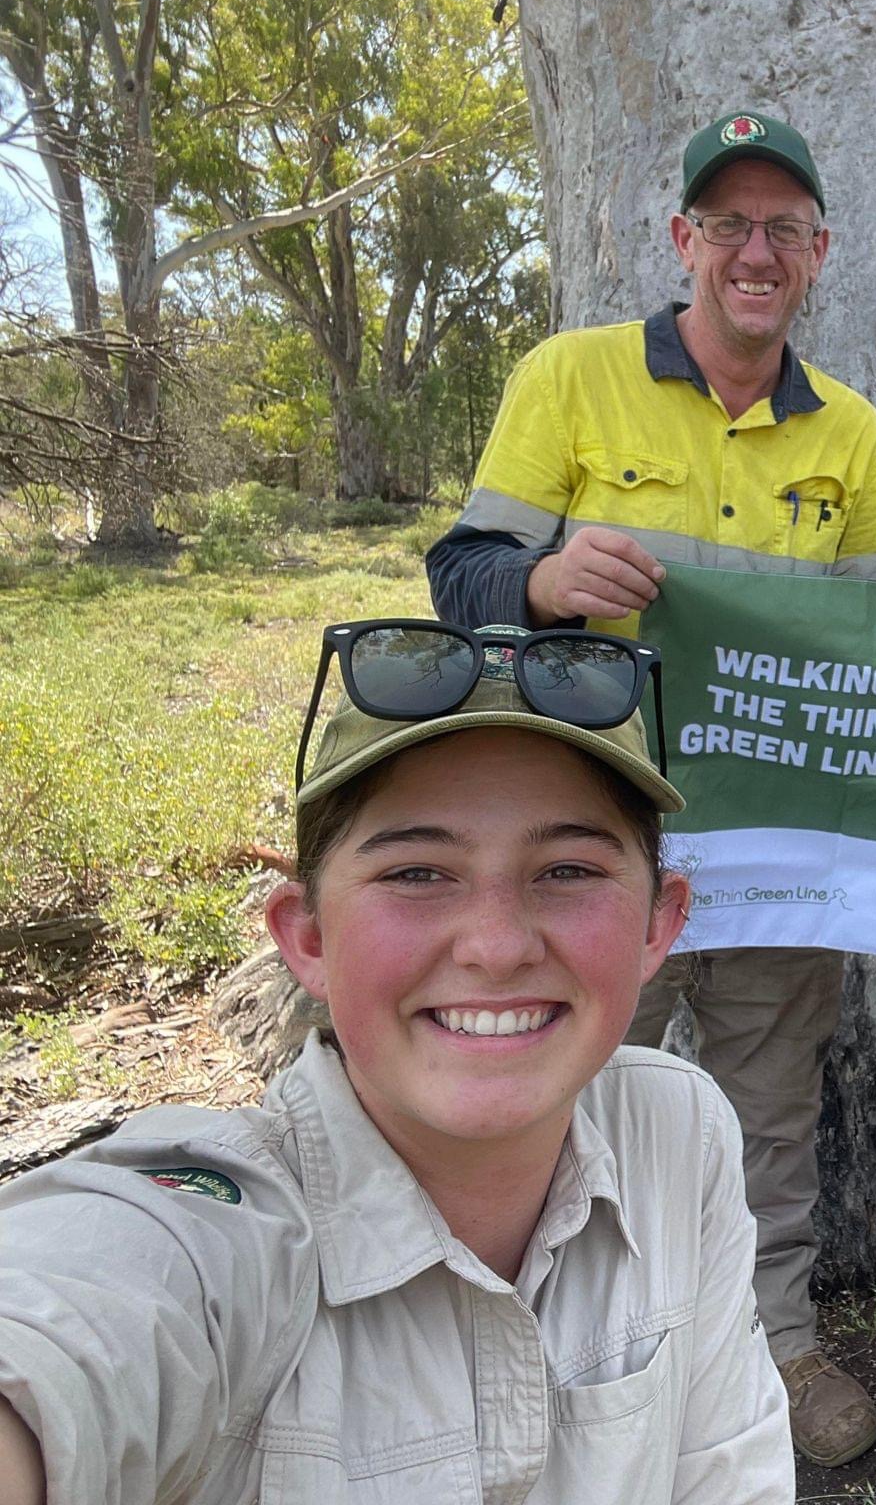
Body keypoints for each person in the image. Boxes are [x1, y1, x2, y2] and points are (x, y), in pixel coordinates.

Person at [0, 619, 790, 1503]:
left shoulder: (678, 1131)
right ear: (308, 936)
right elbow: (67, 1320)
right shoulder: (209, 1239)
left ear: (658, 925)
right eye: (418, 873)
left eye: (567, 871)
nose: (496, 946)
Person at [425, 109, 876, 1460]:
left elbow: (863, 662)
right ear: (684, 238)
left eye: (784, 230)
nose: (757, 251)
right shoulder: (569, 378)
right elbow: (458, 580)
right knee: (557, 1083)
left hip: (773, 843)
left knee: (768, 1102)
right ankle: (526, 1370)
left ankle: (777, 1350)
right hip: (589, 823)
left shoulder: (854, 439)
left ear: (820, 253)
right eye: (730, 224)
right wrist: (545, 582)